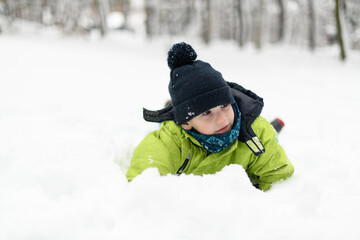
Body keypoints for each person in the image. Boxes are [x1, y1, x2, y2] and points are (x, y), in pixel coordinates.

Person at [126, 42, 294, 191]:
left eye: (224, 106)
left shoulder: (257, 133)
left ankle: (274, 128)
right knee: (167, 126)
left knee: (267, 135)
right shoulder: (171, 140)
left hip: (250, 135)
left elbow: (280, 183)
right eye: (206, 113)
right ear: (186, 123)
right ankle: (171, 108)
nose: (222, 119)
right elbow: (144, 183)